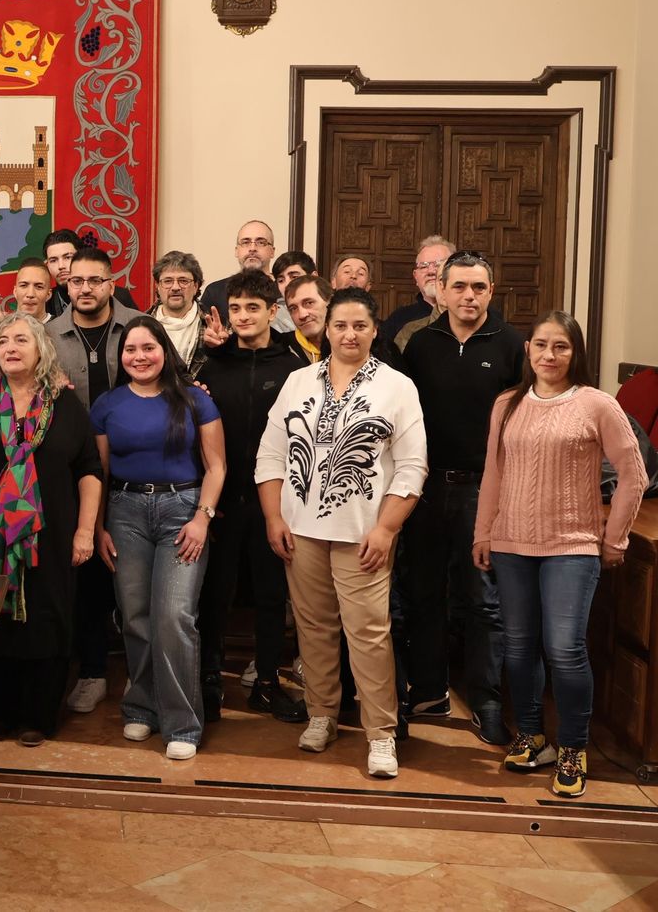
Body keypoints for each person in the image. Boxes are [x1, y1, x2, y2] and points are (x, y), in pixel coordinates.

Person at [472, 312, 648, 799]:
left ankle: (573, 748)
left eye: (561, 347)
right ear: (527, 350)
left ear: (576, 353)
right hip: (511, 543)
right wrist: (483, 532)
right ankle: (531, 737)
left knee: (566, 649)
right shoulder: (507, 404)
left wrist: (614, 539)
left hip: (572, 546)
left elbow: (633, 474)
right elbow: (493, 475)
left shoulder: (597, 405)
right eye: (541, 345)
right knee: (519, 646)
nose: (549, 356)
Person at [256, 287, 428, 780]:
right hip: (300, 530)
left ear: (374, 331)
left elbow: (413, 467)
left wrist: (387, 528)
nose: (349, 334)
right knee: (313, 628)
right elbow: (270, 455)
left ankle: (381, 735)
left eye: (359, 326)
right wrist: (274, 517)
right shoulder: (298, 381)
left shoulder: (397, 386)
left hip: (364, 534)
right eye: (339, 326)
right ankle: (321, 715)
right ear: (325, 330)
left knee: (369, 634)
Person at [0, 313, 102, 746]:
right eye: (2, 341)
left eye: (22, 340)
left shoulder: (66, 405)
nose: (11, 347)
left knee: (47, 620)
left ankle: (38, 716)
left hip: (51, 539)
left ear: (41, 350)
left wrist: (85, 531)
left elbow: (89, 472)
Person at [398, 252, 524, 745]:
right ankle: (429, 689)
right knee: (424, 592)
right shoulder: (420, 345)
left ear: (492, 292)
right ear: (441, 290)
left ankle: (486, 699)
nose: (468, 296)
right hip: (426, 488)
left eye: (478, 287)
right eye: (459, 287)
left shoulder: (513, 345)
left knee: (482, 601)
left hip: (485, 491)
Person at [93, 315, 226, 758]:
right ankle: (141, 708)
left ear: (164, 351)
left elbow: (217, 467)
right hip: (125, 512)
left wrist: (202, 518)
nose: (139, 357)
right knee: (135, 616)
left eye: (148, 348)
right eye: (131, 350)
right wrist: (96, 527)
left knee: (174, 617)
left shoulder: (194, 401)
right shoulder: (107, 406)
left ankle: (183, 725)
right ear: (122, 357)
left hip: (182, 512)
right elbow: (99, 474)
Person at [195, 271, 309, 724]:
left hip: (275, 504)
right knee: (214, 593)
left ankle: (266, 683)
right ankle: (208, 681)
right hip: (221, 500)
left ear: (273, 312)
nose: (243, 316)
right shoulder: (213, 364)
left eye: (253, 308)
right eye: (236, 308)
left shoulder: (296, 369)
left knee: (269, 596)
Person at [46, 245, 141, 714]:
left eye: (94, 280)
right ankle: (91, 671)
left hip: (133, 466)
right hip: (73, 471)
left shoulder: (141, 327)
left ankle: (140, 677)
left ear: (110, 282)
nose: (84, 289)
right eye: (76, 281)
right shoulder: (47, 336)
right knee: (83, 574)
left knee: (128, 573)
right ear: (67, 285)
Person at [383, 236, 454, 348]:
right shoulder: (399, 319)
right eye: (424, 266)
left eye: (438, 264)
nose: (431, 271)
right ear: (415, 277)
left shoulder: (467, 313)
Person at [199, 219, 277, 322]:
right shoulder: (214, 292)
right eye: (245, 242)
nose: (252, 248)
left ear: (272, 251)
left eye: (261, 242)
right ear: (236, 251)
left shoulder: (285, 290)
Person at [147, 250, 207, 381]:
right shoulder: (142, 325)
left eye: (183, 281)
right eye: (168, 281)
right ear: (157, 286)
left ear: (196, 286)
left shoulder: (215, 326)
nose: (175, 287)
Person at [284, 275, 332, 363]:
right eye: (293, 309)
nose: (302, 315)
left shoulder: (349, 344)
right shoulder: (282, 348)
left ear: (330, 303)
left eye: (309, 303)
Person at [270, 250, 316, 335]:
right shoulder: (273, 316)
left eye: (294, 277)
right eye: (281, 280)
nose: (287, 285)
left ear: (313, 277)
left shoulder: (333, 308)